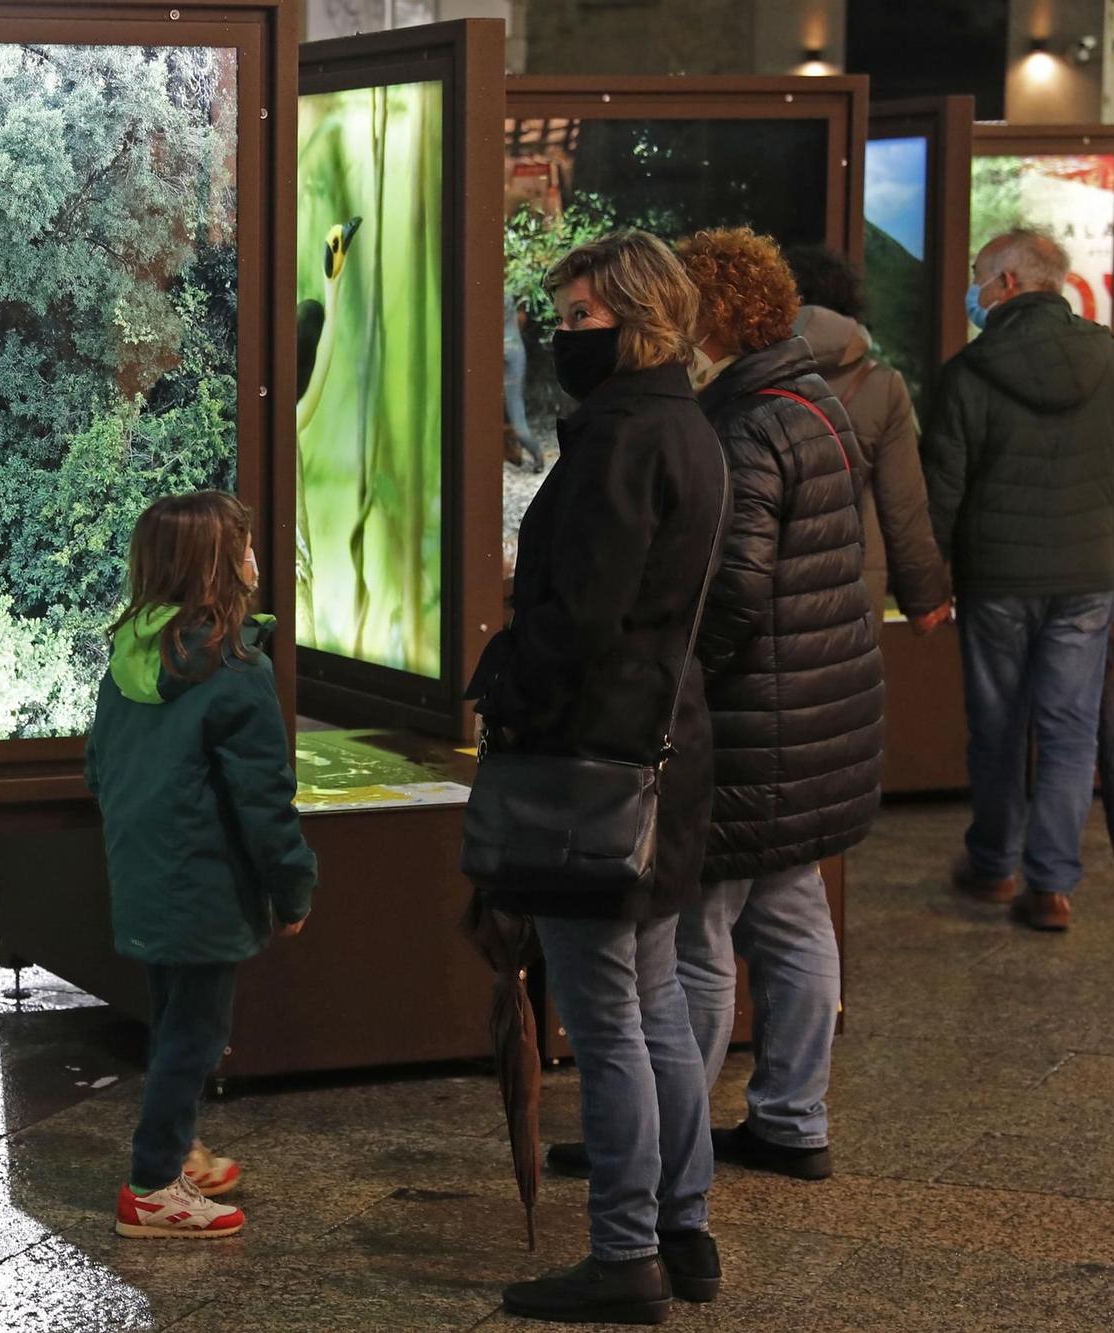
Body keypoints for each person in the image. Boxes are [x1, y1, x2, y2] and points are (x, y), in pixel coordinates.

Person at [469, 230, 727, 1324]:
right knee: (654, 998)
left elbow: (576, 617)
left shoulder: (622, 441)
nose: (559, 336)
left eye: (577, 319)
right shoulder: (686, 428)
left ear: (637, 320)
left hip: (590, 765)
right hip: (658, 757)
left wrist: (504, 687)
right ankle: (680, 1223)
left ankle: (624, 1252)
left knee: (607, 1018)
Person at [668, 227, 884, 1183]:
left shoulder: (745, 420)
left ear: (714, 313)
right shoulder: (815, 399)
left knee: (697, 932)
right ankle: (793, 1118)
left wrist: (678, 679)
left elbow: (735, 589)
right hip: (816, 712)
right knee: (794, 917)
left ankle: (667, 1145)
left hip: (753, 720)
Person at [922, 229, 1114, 930]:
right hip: (1086, 579)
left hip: (997, 582)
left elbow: (938, 495)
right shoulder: (1110, 358)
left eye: (978, 275)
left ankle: (995, 863)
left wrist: (925, 579)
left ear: (1007, 284)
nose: (973, 290)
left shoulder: (968, 374)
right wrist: (1103, 535)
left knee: (998, 724)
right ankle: (1053, 884)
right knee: (1071, 728)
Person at [87, 490, 317, 1240]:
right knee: (196, 1031)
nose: (256, 559)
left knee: (175, 1021)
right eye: (245, 545)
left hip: (145, 876)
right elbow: (265, 801)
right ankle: (154, 1183)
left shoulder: (130, 654)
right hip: (207, 886)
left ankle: (178, 1143)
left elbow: (98, 766)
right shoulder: (234, 669)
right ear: (225, 565)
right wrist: (293, 887)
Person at [783, 244, 954, 633]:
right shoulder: (881, 385)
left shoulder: (743, 372)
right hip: (854, 579)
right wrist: (924, 599)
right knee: (848, 687)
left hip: (764, 577)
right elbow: (904, 506)